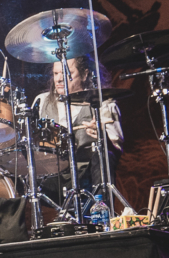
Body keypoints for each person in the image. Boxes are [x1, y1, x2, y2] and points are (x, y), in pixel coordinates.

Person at [33, 56, 124, 201]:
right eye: (56, 73)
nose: (59, 79)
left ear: (84, 74)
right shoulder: (42, 101)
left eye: (66, 73)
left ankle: (102, 212)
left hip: (85, 176)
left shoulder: (103, 103)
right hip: (50, 175)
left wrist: (102, 136)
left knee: (103, 155)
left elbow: (116, 149)